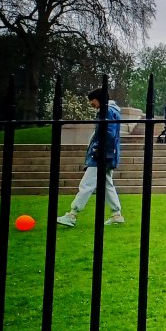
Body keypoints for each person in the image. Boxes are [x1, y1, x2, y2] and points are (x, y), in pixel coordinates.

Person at [56, 87, 124, 227]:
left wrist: (98, 148)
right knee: (107, 184)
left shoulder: (107, 111)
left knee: (87, 184)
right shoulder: (112, 111)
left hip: (101, 154)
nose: (91, 104)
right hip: (108, 154)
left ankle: (72, 214)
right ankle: (116, 214)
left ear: (98, 99)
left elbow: (108, 133)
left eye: (92, 101)